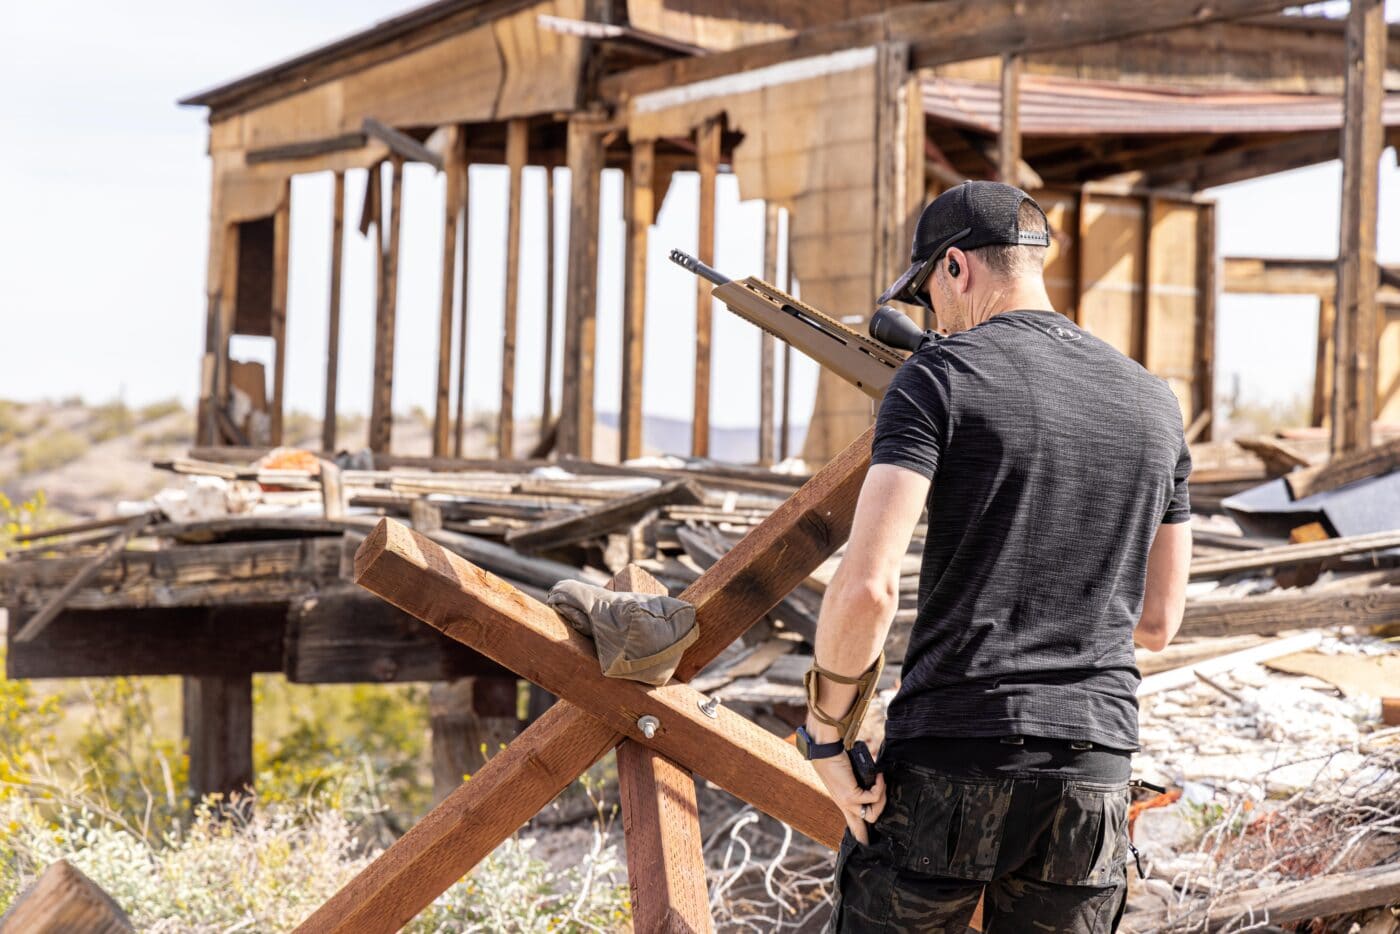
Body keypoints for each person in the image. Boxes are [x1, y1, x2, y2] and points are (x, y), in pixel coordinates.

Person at [797, 181, 1192, 932]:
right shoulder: (1155, 403)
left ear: (955, 268)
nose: (933, 319)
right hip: (1092, 771)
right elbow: (1159, 620)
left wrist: (826, 735)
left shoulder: (939, 378)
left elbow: (868, 590)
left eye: (928, 296)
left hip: (954, 754)